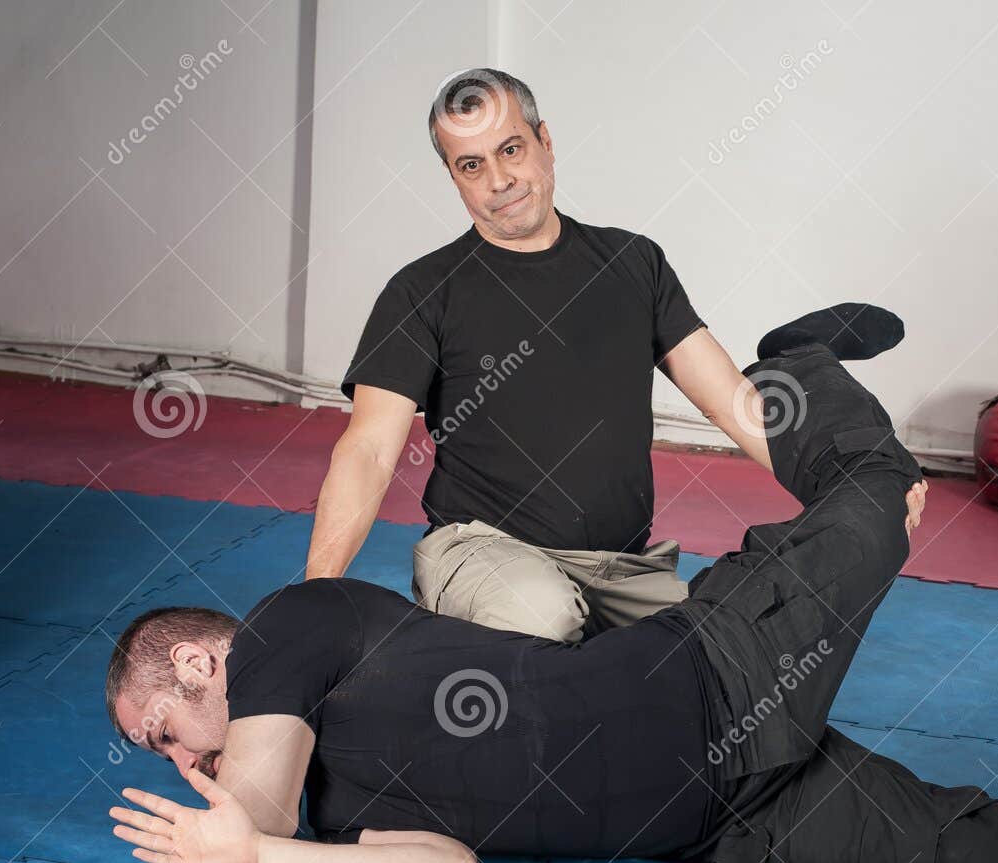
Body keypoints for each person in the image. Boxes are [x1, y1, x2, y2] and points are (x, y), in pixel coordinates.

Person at [106, 305, 998, 863]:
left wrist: (250, 832)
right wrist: (277, 857)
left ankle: (800, 361)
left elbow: (250, 785)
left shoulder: (287, 632)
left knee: (881, 498)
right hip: (723, 820)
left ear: (206, 659)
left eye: (161, 726)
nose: (171, 760)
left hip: (718, 667)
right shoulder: (319, 813)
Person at [305, 67, 790, 641]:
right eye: (471, 164)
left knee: (729, 658)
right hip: (486, 556)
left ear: (546, 143)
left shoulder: (635, 263)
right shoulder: (421, 291)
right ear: (453, 178)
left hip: (623, 569)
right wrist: (315, 598)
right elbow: (368, 451)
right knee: (547, 615)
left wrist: (847, 479)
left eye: (510, 149)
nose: (499, 179)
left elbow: (729, 401)